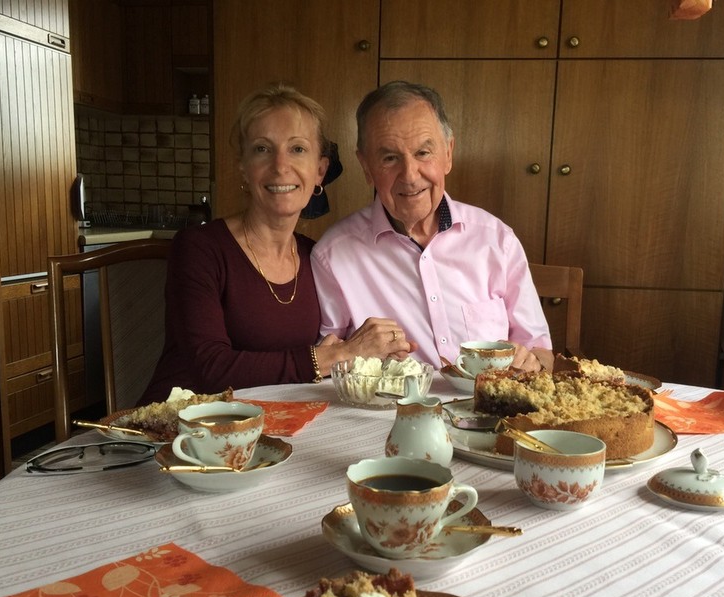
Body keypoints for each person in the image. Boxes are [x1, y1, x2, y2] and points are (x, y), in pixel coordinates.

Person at [139, 84, 414, 404]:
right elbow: (211, 369)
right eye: (262, 149)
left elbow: (334, 349)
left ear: (319, 171)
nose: (280, 166)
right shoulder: (199, 248)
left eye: (297, 149)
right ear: (243, 166)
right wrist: (335, 356)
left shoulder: (318, 257)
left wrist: (378, 352)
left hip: (271, 425)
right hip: (177, 429)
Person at [311, 81, 553, 373]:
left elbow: (541, 351)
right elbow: (327, 366)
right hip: (387, 415)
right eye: (389, 158)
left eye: (423, 153)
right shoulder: (332, 256)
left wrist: (533, 361)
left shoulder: (497, 240)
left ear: (448, 153)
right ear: (366, 166)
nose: (410, 176)